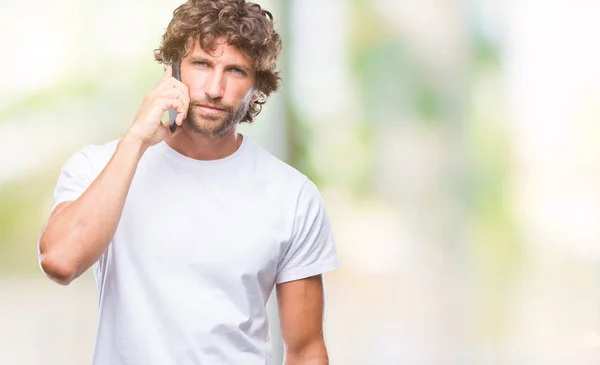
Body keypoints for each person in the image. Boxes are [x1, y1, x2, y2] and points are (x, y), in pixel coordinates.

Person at [37, 0, 340, 364]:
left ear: (257, 87)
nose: (215, 88)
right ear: (173, 70)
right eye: (201, 64)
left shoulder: (292, 195)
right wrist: (135, 140)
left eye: (236, 71)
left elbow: (306, 350)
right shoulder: (99, 166)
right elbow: (60, 261)